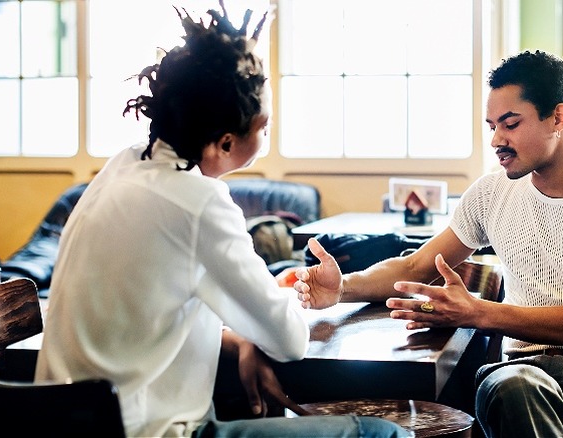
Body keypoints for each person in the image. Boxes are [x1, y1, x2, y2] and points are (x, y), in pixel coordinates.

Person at [34, 3, 408, 438]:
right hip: (148, 431)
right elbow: (289, 342)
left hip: (60, 422)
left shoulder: (125, 164)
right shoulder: (197, 201)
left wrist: (242, 338)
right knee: (383, 434)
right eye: (263, 127)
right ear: (225, 142)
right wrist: (293, 291)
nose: (267, 135)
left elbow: (160, 306)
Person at [295, 50, 563, 437]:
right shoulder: (491, 193)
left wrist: (475, 312)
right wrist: (344, 287)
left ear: (558, 117)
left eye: (510, 124)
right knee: (514, 384)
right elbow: (415, 268)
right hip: (521, 374)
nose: (496, 140)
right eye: (492, 126)